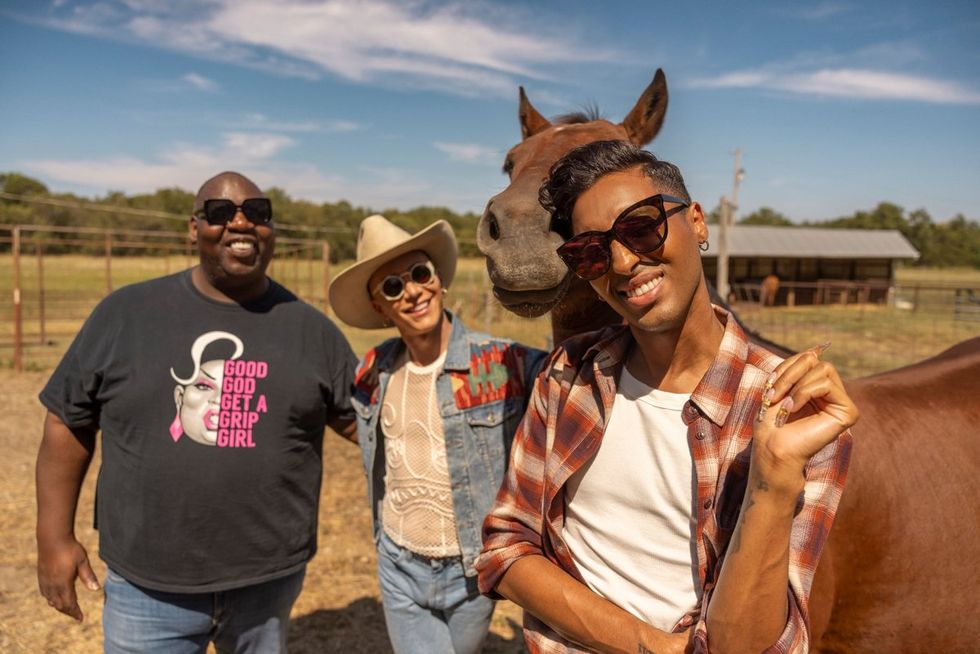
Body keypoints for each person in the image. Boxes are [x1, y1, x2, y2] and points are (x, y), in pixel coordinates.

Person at [477, 141, 858, 654]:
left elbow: (756, 646)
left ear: (697, 222)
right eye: (591, 252)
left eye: (641, 227)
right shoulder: (566, 375)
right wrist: (652, 645)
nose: (623, 262)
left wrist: (772, 483)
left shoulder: (792, 415)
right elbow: (505, 549)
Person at [36, 171, 358, 653]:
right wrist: (53, 538)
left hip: (268, 582)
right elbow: (67, 421)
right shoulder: (126, 314)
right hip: (147, 585)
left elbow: (364, 422)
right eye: (220, 212)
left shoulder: (313, 332)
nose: (241, 223)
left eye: (258, 212)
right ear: (194, 228)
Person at [329, 214, 547, 654]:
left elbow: (574, 382)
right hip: (397, 563)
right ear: (380, 307)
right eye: (393, 286)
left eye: (419, 273)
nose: (412, 291)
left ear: (439, 281)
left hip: (467, 568)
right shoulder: (373, 370)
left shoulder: (504, 363)